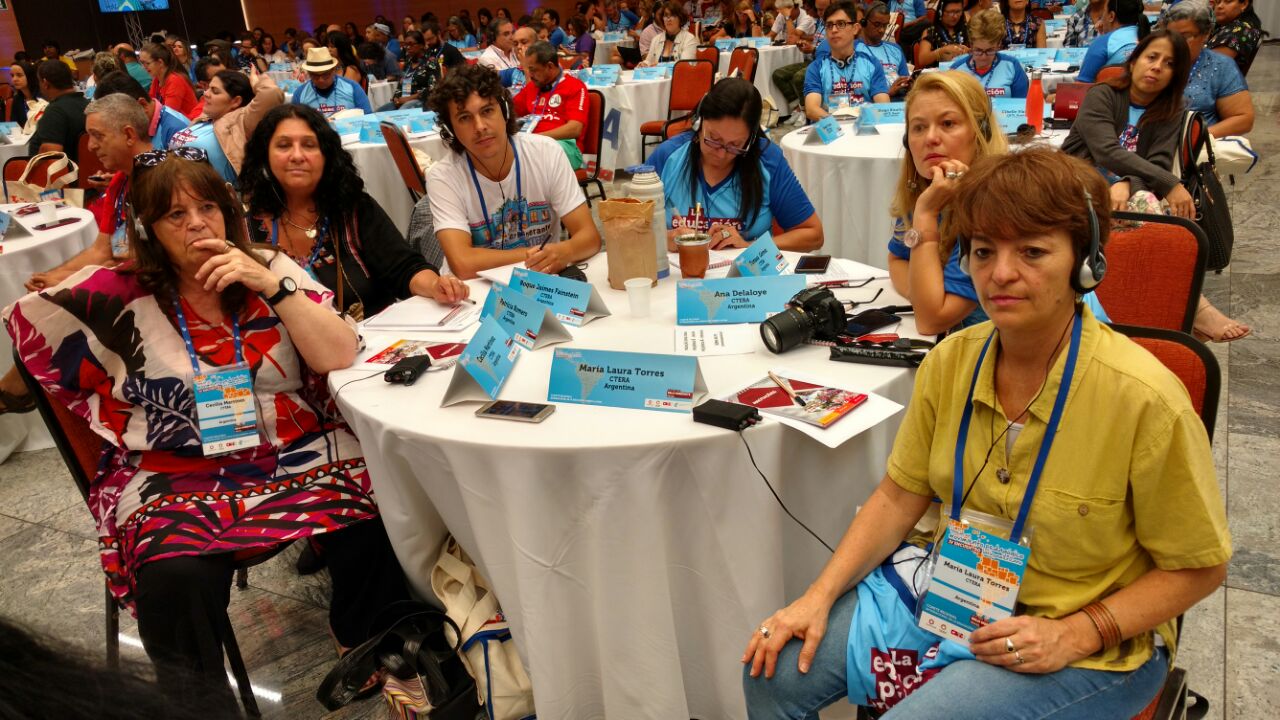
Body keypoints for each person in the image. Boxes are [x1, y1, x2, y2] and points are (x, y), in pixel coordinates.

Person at [740, 144, 1229, 720]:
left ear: (1085, 263)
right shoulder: (950, 362)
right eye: (982, 251)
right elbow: (900, 494)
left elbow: (1201, 567)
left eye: (1032, 251)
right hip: (953, 592)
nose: (1000, 274)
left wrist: (1076, 633)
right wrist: (815, 597)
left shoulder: (1145, 399)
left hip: (1088, 633)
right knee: (771, 670)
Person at [6, 152, 421, 710]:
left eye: (207, 207)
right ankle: (198, 706)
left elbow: (339, 353)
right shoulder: (121, 292)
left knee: (376, 504)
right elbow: (29, 329)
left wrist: (272, 287)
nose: (197, 224)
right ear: (148, 230)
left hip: (290, 447)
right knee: (173, 576)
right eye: (175, 215)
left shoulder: (268, 267)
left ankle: (363, 637)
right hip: (174, 470)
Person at [1063, 30, 1248, 342]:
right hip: (1076, 184)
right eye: (1151, 57)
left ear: (1176, 75)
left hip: (1125, 193)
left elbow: (1158, 163)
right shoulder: (1102, 95)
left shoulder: (1171, 110)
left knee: (1157, 219)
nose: (1157, 66)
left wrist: (1126, 182)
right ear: (1134, 60)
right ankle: (1195, 308)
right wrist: (1169, 183)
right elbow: (1106, 152)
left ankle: (1171, 308)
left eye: (1169, 63)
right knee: (1152, 208)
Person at [238, 104, 468, 319]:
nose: (297, 156)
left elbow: (404, 268)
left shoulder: (352, 209)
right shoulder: (245, 232)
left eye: (309, 145)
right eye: (283, 145)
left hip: (371, 340)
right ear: (265, 156)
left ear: (326, 156)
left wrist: (435, 285)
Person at [425, 64, 601, 279]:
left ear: (505, 111)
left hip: (540, 281)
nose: (479, 127)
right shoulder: (442, 176)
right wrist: (537, 255)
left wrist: (564, 251)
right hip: (475, 289)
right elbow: (463, 264)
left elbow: (590, 238)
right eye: (464, 118)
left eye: (487, 111)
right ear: (450, 129)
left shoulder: (546, 152)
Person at [886, 71, 1009, 333]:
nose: (930, 138)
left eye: (948, 123)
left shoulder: (993, 205)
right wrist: (923, 293)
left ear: (980, 132)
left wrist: (926, 214)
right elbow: (897, 260)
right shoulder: (930, 189)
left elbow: (932, 320)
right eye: (919, 127)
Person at [652, 78, 823, 251]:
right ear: (699, 123)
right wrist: (663, 238)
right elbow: (635, 226)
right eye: (714, 139)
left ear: (750, 139)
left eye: (735, 145)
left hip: (745, 267)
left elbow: (813, 234)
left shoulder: (767, 161)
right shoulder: (668, 157)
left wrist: (748, 246)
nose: (721, 154)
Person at [170, 69, 283, 183]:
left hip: (214, 192)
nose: (206, 94)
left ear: (236, 101)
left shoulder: (241, 122)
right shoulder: (205, 117)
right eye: (208, 88)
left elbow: (271, 93)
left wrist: (255, 81)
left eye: (215, 91)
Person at [1164, 0, 1254, 137]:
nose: (1176, 42)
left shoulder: (1220, 66)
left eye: (1186, 36)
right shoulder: (1156, 60)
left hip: (1195, 142)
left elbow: (1243, 119)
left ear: (1205, 34)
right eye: (1170, 35)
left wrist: (1194, 138)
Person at [804, 2, 890, 121]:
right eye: (829, 25)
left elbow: (883, 106)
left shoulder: (871, 64)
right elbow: (812, 109)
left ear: (855, 28)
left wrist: (859, 125)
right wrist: (840, 126)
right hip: (831, 129)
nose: (834, 30)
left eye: (841, 24)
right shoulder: (816, 68)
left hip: (863, 127)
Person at [512, 41, 590, 169]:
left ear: (550, 66)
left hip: (565, 146)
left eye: (533, 70)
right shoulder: (532, 87)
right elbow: (509, 111)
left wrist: (536, 139)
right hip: (532, 145)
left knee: (532, 156)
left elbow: (575, 129)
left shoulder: (575, 86)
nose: (529, 75)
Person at [91, 70, 189, 150]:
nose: (117, 125)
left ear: (142, 105)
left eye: (120, 118)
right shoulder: (143, 126)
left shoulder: (177, 133)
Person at [950, 9, 1031, 97]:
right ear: (971, 44)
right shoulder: (956, 69)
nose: (983, 57)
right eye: (978, 50)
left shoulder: (1012, 66)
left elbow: (1021, 103)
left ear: (999, 45)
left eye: (990, 50)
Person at [388, 23, 467, 110]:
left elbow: (434, 88)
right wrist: (397, 98)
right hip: (407, 96)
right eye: (426, 40)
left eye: (430, 39)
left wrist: (409, 98)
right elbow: (402, 84)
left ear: (438, 34)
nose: (428, 43)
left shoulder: (449, 52)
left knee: (405, 108)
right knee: (382, 110)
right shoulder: (410, 62)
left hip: (428, 97)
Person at [27, 60, 88, 163]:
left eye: (39, 81)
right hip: (87, 169)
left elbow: (51, 159)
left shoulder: (54, 112)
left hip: (61, 172)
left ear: (45, 83)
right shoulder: (89, 105)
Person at [1077, 0, 1149, 83]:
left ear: (1111, 16)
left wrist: (1103, 39)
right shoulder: (1148, 37)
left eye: (1104, 12)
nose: (1102, 18)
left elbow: (1082, 85)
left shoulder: (1103, 43)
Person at [292, 47, 372, 116]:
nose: (321, 80)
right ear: (309, 73)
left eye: (325, 75)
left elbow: (368, 116)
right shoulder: (300, 93)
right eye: (315, 75)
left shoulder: (352, 87)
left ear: (333, 71)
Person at [858, 2, 912, 97]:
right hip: (874, 102)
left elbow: (906, 82)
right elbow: (857, 90)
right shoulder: (854, 49)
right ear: (864, 22)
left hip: (900, 101)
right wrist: (887, 94)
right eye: (877, 24)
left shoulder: (895, 49)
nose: (881, 30)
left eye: (885, 25)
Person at [140, 42, 198, 118]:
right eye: (142, 63)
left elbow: (168, 115)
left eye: (147, 63)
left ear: (160, 62)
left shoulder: (175, 80)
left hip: (190, 123)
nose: (143, 67)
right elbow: (151, 105)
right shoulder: (157, 80)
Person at [1208, 0, 1264, 75]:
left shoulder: (1239, 32)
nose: (1219, 6)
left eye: (1227, 1)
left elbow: (1208, 69)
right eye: (1218, 2)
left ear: (1244, 4)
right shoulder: (1234, 25)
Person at [918, 0, 972, 66]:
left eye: (958, 12)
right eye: (951, 12)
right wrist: (940, 52)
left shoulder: (967, 29)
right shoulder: (930, 31)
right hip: (937, 71)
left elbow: (979, 52)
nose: (955, 16)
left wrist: (968, 51)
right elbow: (922, 60)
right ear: (941, 12)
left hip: (962, 70)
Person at [9, 60, 44, 131]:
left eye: (19, 75)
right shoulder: (17, 99)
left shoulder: (43, 96)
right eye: (12, 76)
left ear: (29, 76)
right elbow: (14, 125)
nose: (14, 79)